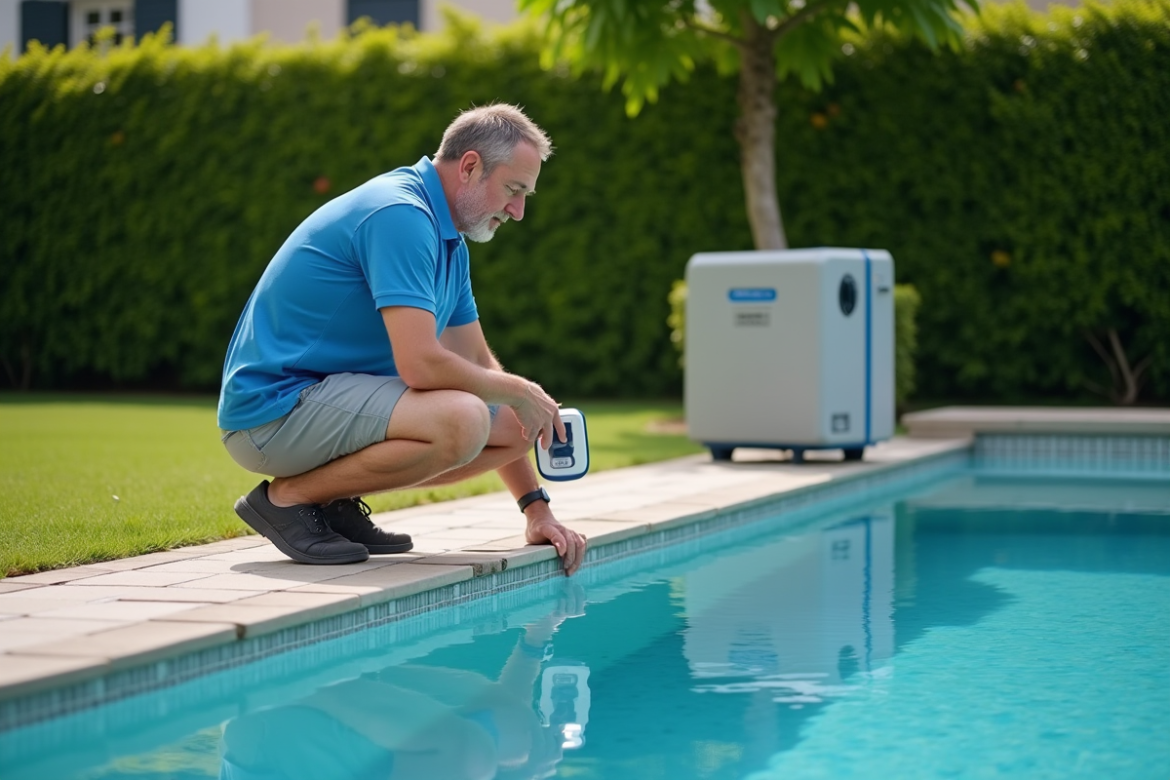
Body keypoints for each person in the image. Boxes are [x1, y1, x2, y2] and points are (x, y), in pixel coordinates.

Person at [216, 104, 587, 574]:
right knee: (464, 418)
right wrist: (520, 390)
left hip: (319, 404)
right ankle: (286, 500)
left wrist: (538, 509)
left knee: (517, 424)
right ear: (470, 166)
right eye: (514, 190)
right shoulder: (401, 214)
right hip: (271, 413)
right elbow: (421, 365)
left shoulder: (447, 239)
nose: (518, 210)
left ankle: (332, 503)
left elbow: (477, 361)